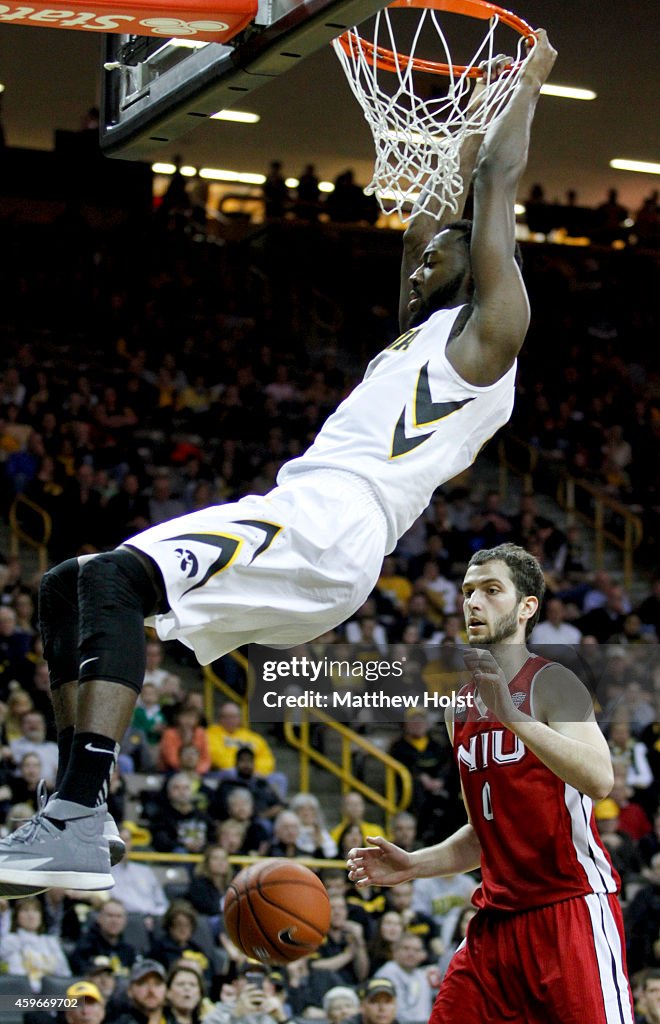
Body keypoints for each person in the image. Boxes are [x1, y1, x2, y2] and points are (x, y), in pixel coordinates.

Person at [0, 31, 557, 895]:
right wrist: (457, 138)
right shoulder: (414, 337)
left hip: (334, 522)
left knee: (114, 582)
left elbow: (493, 188)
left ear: (481, 264)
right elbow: (432, 219)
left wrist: (525, 84)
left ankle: (75, 816)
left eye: (440, 254)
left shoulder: (487, 340)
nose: (418, 263)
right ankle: (80, 812)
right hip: (312, 514)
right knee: (67, 585)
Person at [347, 542, 634, 1023]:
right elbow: (486, 832)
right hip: (495, 923)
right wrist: (414, 864)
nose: (473, 602)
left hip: (569, 909)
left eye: (491, 590)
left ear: (527, 607)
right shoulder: (456, 706)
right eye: (468, 591)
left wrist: (513, 716)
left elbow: (601, 779)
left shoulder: (555, 682)